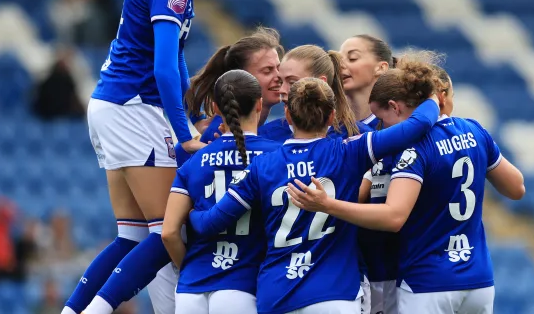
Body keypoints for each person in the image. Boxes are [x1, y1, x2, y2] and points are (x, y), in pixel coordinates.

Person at [63, 0, 241, 314]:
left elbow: (176, 59)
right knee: (169, 232)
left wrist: (192, 112)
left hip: (114, 105)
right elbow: (163, 67)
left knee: (133, 236)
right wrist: (184, 133)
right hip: (132, 107)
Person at [287, 57, 526, 314]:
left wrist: (328, 204)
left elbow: (393, 216)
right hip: (479, 281)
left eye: (381, 119)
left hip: (429, 282)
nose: (382, 128)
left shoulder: (412, 148)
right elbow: (516, 189)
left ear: (395, 107)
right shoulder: (474, 130)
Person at [188, 76, 440, 314]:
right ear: (332, 116)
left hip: (277, 294)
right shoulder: (350, 152)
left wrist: (191, 214)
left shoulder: (262, 166)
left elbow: (211, 222)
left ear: (287, 114)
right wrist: (431, 95)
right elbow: (418, 124)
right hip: (334, 293)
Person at [162, 70, 281, 314]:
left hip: (190, 291)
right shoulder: (276, 156)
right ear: (259, 104)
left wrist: (193, 269)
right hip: (243, 285)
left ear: (216, 108)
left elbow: (169, 232)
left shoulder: (194, 161)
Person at [185, 27, 283, 146]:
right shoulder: (217, 134)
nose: (279, 76)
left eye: (279, 68)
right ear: (239, 76)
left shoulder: (275, 128)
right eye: (267, 71)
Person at [258, 45, 369, 142]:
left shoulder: (359, 136)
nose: (281, 90)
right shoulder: (265, 136)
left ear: (321, 82)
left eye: (292, 82)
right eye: (281, 82)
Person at [340, 34, 394, 130]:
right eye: (338, 60)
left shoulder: (395, 123)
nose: (340, 65)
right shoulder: (325, 123)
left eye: (352, 58)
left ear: (381, 68)